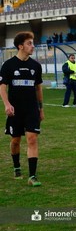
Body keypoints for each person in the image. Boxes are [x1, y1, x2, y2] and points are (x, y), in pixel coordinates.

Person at [0, 31, 44, 187]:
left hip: (31, 109)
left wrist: (41, 108)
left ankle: (32, 176)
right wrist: (7, 104)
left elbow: (38, 88)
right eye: (29, 43)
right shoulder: (8, 65)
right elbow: (2, 87)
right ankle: (16, 166)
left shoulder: (35, 66)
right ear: (20, 46)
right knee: (15, 141)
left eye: (32, 43)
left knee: (32, 139)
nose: (33, 46)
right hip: (15, 110)